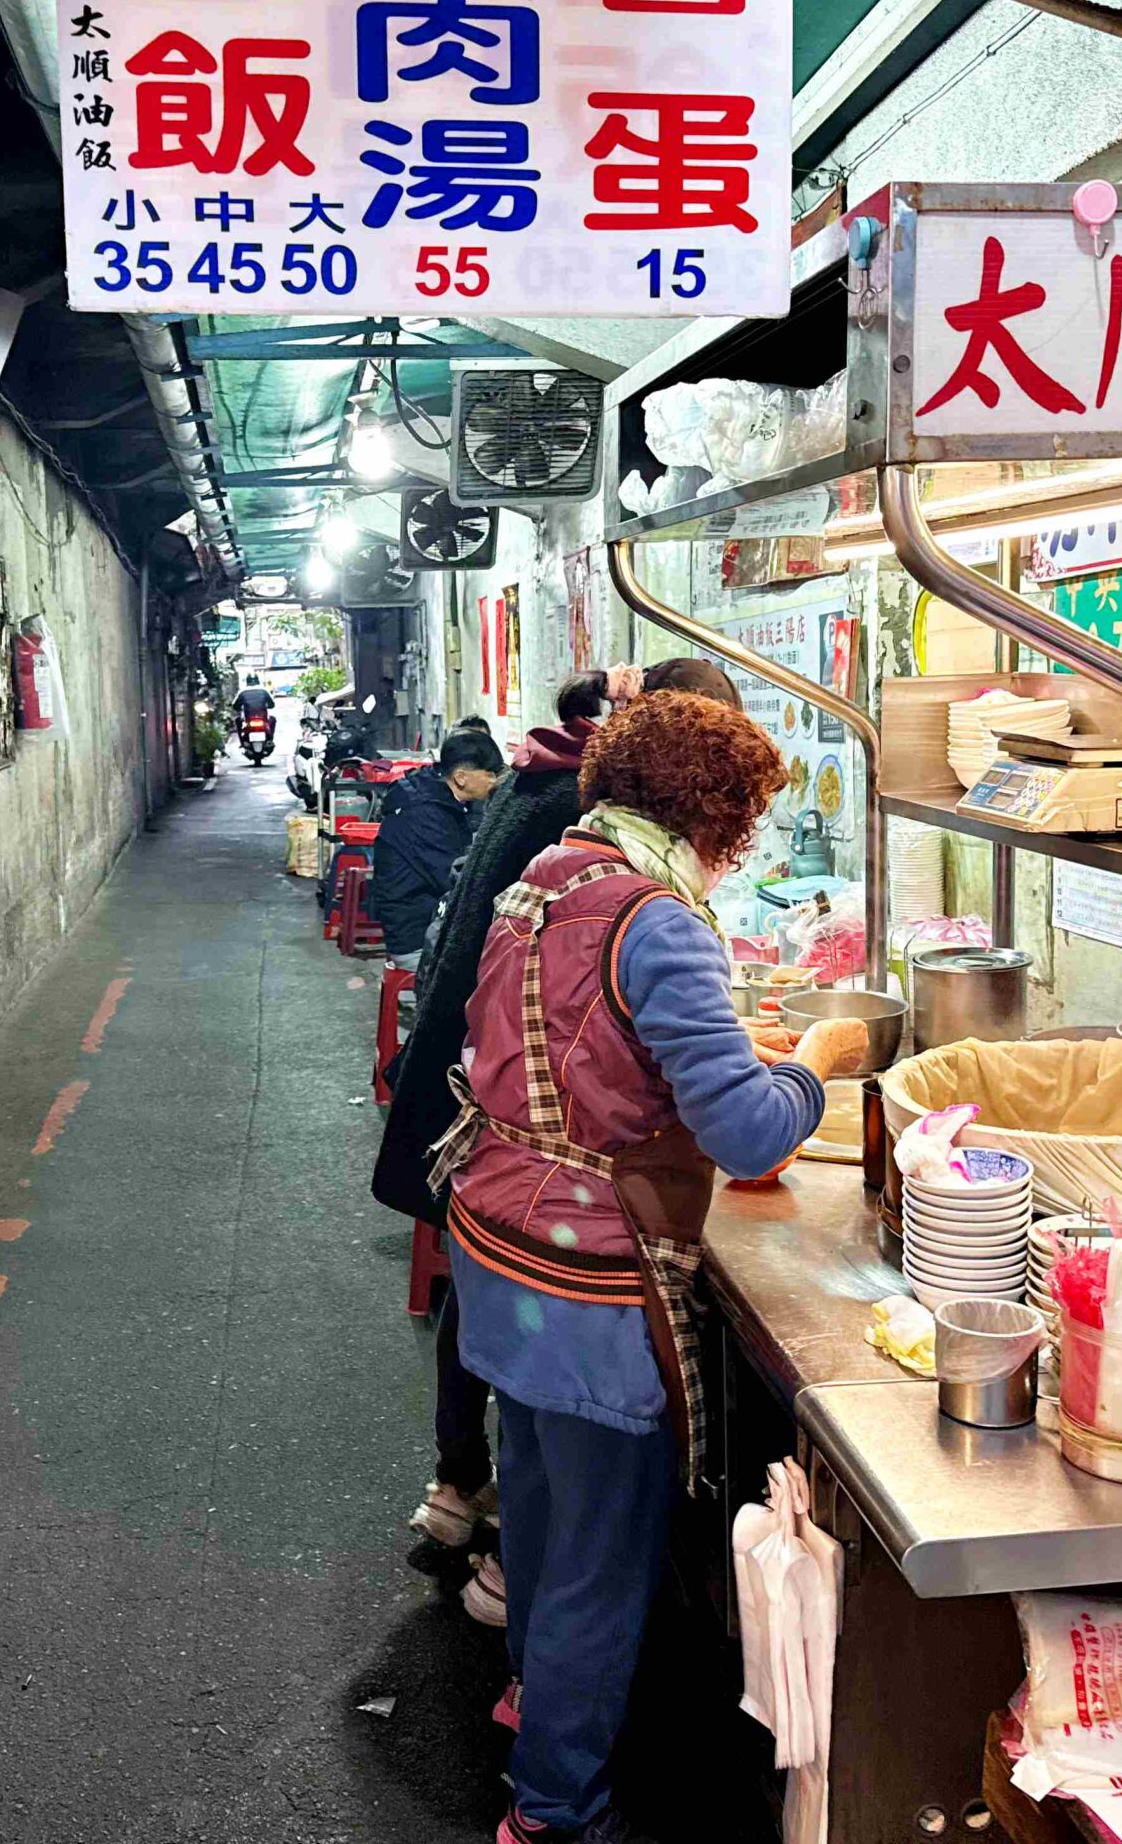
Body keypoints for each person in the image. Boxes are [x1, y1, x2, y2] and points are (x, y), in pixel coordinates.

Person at [432, 692, 866, 1844]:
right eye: (745, 820)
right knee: (597, 1566)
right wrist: (817, 1065)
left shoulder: (554, 874)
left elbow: (586, 1054)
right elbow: (753, 1135)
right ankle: (556, 1814)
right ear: (716, 814)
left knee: (535, 1508)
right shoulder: (659, 921)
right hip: (581, 1281)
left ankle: (535, 1703)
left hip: (497, 1242)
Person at [372, 660, 741, 1613]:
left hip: (481, 1098)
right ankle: (491, 1537)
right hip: (513, 1128)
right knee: (566, 1450)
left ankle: (468, 1503)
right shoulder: (592, 845)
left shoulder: (549, 787)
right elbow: (605, 1021)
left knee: (506, 1361)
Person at [369, 729, 505, 973]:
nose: (494, 781)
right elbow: (457, 882)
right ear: (461, 777)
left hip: (428, 919)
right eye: (490, 774)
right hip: (416, 939)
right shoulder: (425, 814)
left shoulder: (439, 796)